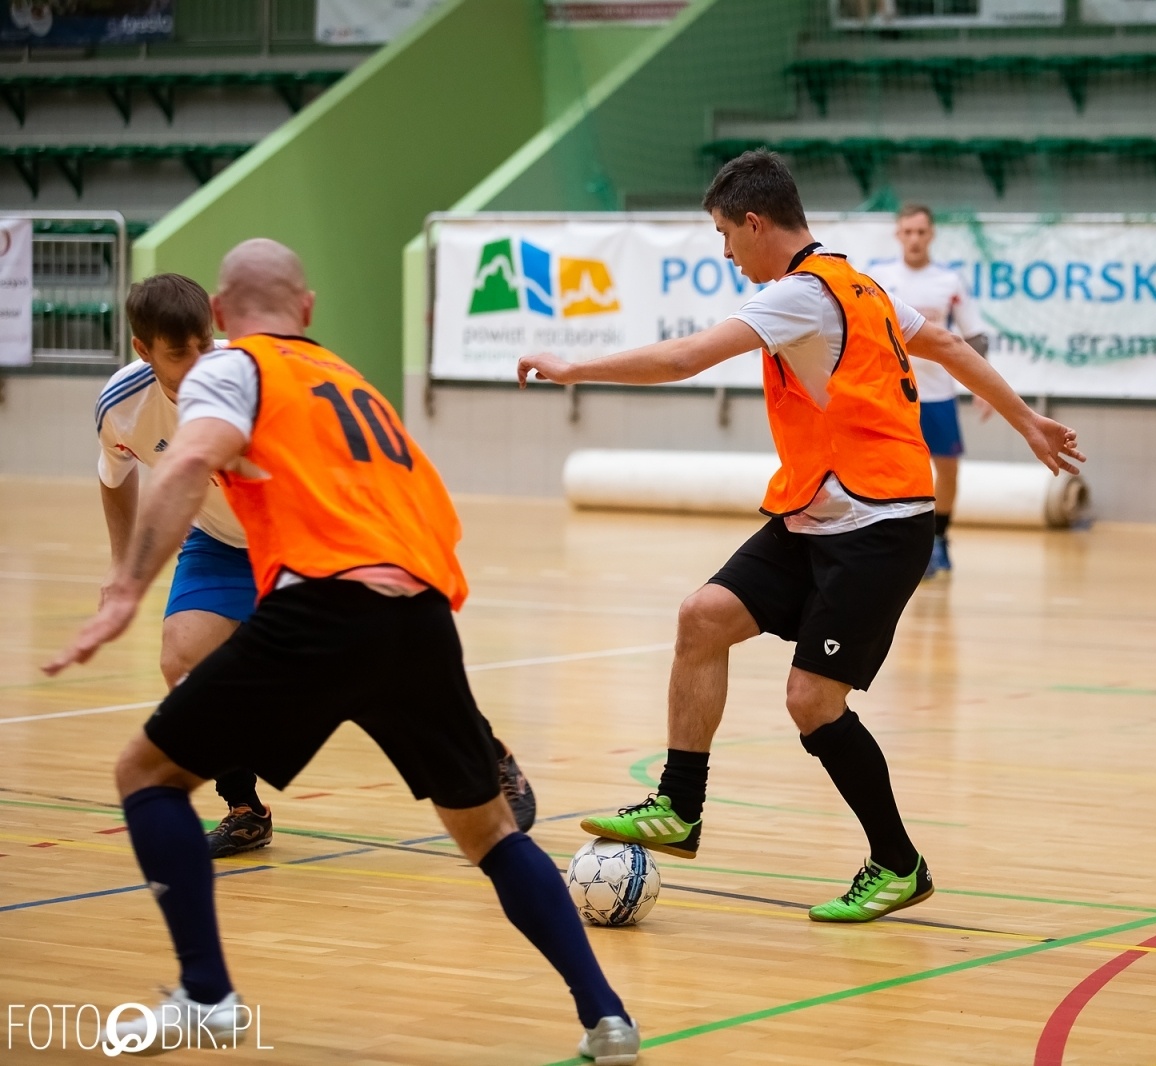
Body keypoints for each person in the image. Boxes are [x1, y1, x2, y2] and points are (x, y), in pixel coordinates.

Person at [48, 240, 637, 1064]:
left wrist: (122, 592)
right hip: (419, 611)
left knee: (145, 774)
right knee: (491, 833)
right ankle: (608, 1018)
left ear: (219, 315)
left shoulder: (231, 367)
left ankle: (208, 995)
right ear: (308, 308)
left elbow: (187, 460)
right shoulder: (348, 380)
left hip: (322, 607)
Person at [517, 150, 1083, 923]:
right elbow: (950, 347)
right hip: (821, 509)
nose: (726, 253)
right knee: (703, 617)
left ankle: (898, 864)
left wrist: (572, 368)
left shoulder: (800, 295)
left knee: (812, 700)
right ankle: (679, 807)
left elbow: (683, 357)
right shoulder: (861, 285)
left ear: (756, 223)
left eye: (726, 235)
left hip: (879, 527)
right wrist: (1027, 422)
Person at [96, 275, 538, 859]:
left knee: (381, 669)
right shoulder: (121, 406)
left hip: (305, 536)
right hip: (222, 544)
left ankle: (487, 753)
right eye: (179, 353)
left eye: (204, 343)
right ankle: (245, 810)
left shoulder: (254, 374)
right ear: (143, 349)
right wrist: (121, 568)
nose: (198, 361)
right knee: (181, 660)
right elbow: (115, 474)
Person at [870, 204, 990, 579]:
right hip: (891, 394)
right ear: (898, 234)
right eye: (908, 232)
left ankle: (939, 539)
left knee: (948, 471)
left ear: (931, 235)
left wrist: (983, 387)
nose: (915, 239)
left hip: (937, 394)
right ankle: (895, 544)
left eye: (921, 232)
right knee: (889, 472)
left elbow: (974, 337)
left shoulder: (949, 281)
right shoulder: (877, 277)